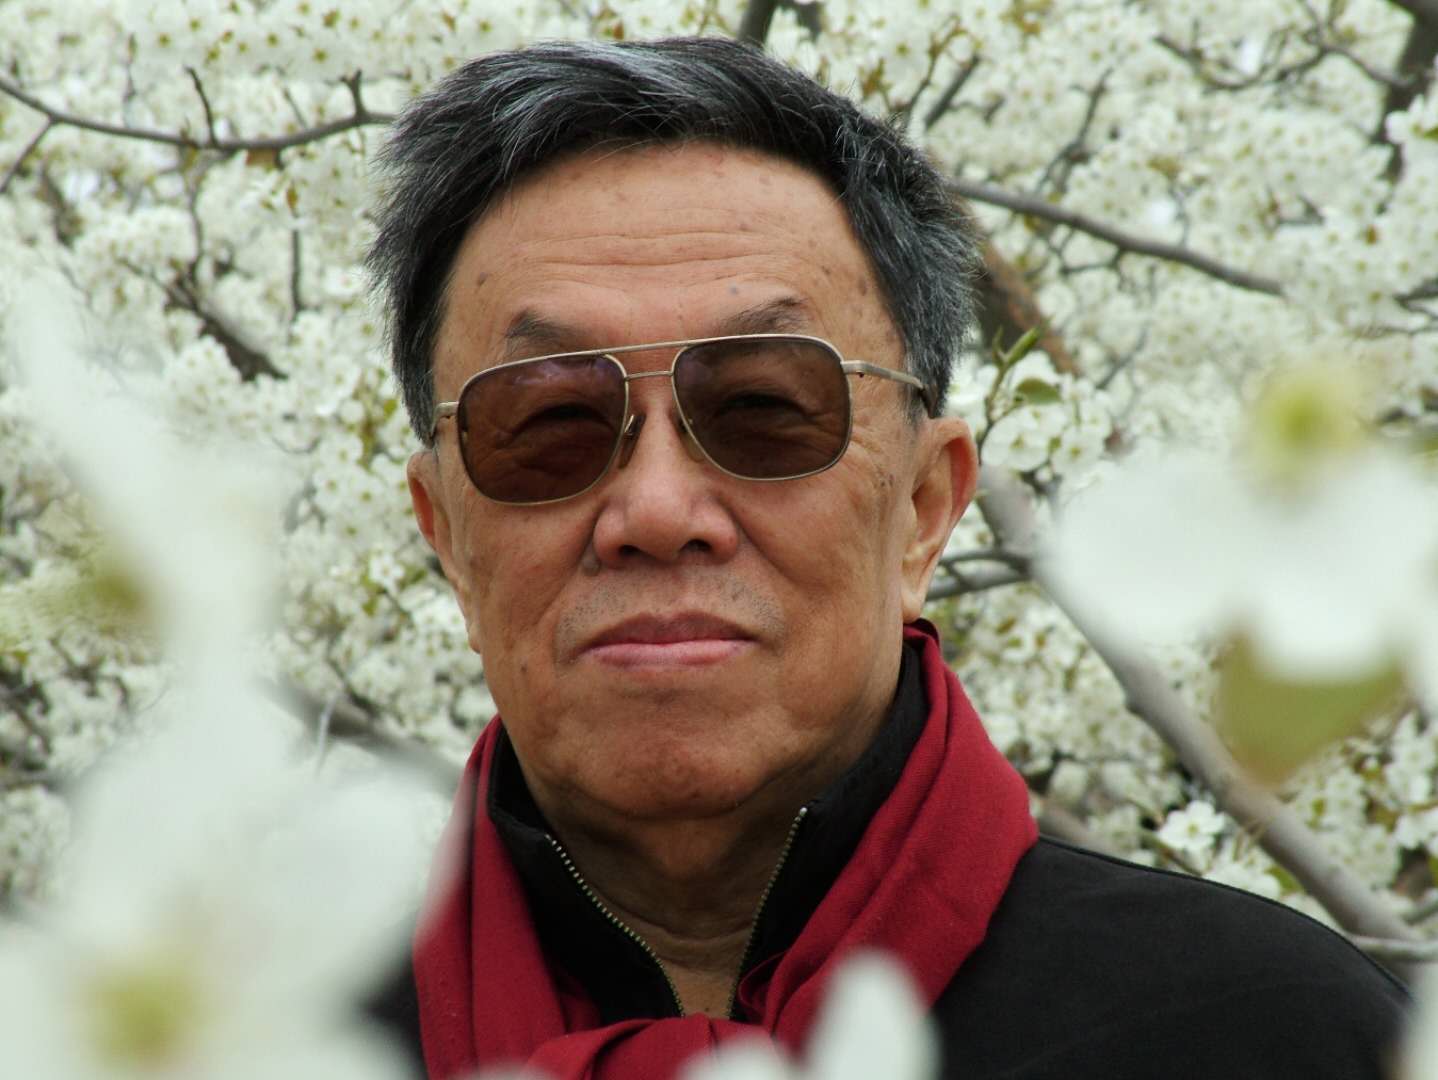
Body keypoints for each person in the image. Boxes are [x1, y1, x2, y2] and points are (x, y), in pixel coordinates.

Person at [363, 36, 1409, 1080]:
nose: (657, 511)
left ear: (923, 507)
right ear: (446, 534)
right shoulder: (300, 1045)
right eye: (549, 423)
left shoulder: (1272, 1031)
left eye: (763, 408)